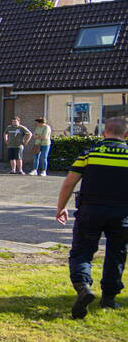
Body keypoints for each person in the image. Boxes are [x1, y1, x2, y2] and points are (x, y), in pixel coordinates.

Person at [55, 116, 128, 318]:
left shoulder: (90, 153)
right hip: (122, 214)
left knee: (82, 252)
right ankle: (109, 298)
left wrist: (61, 207)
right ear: (126, 134)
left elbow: (69, 182)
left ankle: (83, 286)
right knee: (117, 253)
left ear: (104, 132)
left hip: (90, 211)